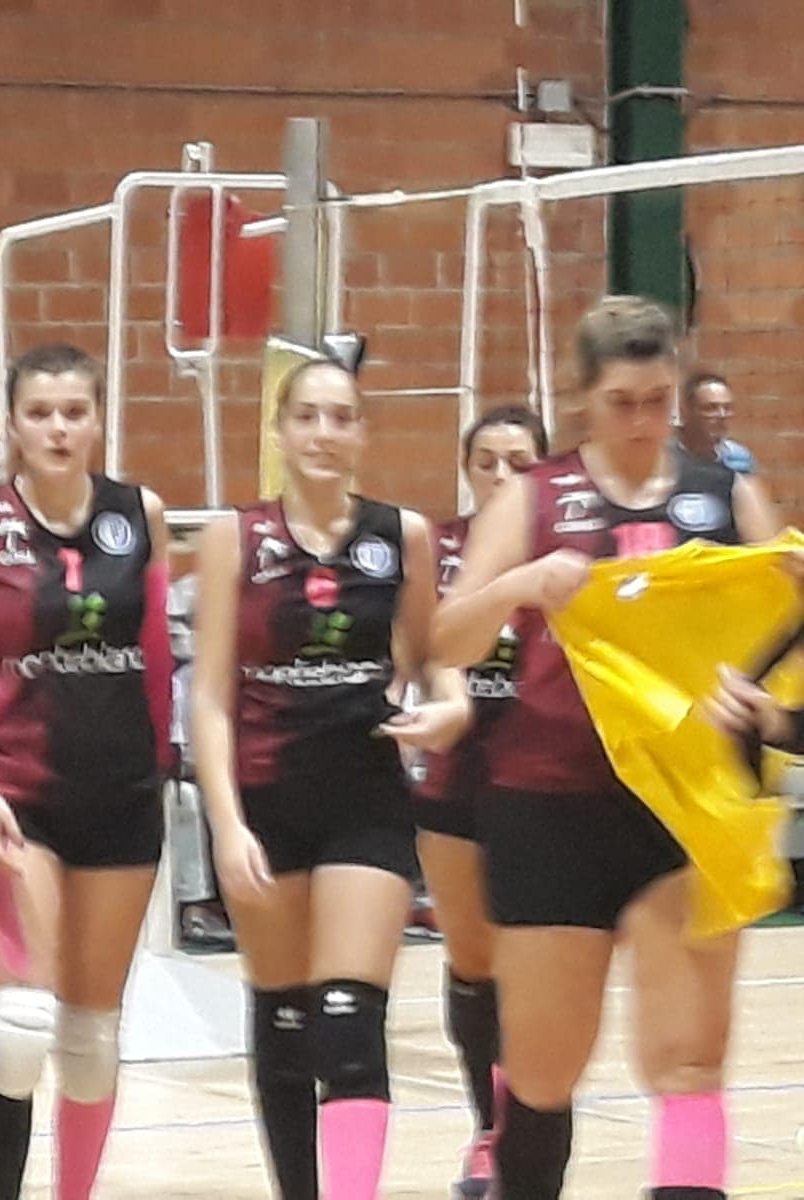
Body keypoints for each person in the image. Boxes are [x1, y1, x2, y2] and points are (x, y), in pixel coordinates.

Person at [433, 295, 781, 1200]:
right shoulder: (534, 497)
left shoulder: (723, 496)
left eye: (658, 401)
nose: (642, 421)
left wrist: (763, 700)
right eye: (622, 402)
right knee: (543, 1071)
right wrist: (519, 584)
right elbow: (448, 639)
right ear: (583, 397)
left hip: (684, 804)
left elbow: (785, 639)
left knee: (690, 1062)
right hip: (551, 804)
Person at [189, 358, 470, 1200]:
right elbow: (210, 696)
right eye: (307, 416)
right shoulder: (235, 538)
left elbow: (433, 654)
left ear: (362, 433)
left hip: (364, 799)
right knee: (284, 1022)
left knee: (350, 1024)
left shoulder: (401, 535)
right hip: (263, 799)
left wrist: (450, 703)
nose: (323, 433)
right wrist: (227, 825)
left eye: (341, 417)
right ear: (279, 431)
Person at [0, 343, 174, 1200]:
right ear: (13, 425)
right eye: (40, 413)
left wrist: (162, 767)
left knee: (91, 1042)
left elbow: (155, 658)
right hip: (12, 795)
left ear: (99, 418)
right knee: (20, 1024)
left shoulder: (139, 513)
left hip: (120, 797)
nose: (59, 428)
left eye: (75, 411)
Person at [413, 404, 547, 1199]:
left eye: (519, 462)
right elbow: (418, 644)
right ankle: (488, 1131)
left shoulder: (566, 548)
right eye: (486, 462)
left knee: (533, 962)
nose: (501, 476)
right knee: (472, 960)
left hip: (543, 776)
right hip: (456, 776)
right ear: (466, 470)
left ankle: (525, 1127)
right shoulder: (438, 549)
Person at [677, 372, 755, 474]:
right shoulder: (665, 457)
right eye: (710, 408)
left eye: (727, 408)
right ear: (686, 412)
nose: (722, 415)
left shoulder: (739, 457)